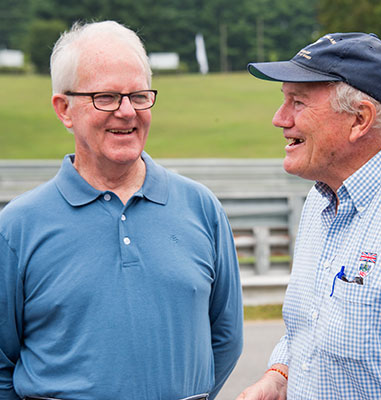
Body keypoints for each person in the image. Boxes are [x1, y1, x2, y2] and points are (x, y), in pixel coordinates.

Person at [0, 20, 243, 400]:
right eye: (107, 97)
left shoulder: (201, 207)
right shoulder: (17, 226)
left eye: (139, 95)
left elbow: (226, 337)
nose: (127, 112)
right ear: (65, 109)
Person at [237, 32, 381, 399]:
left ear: (359, 119)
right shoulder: (321, 199)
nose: (279, 118)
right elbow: (308, 329)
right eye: (283, 100)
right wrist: (278, 377)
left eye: (298, 102)